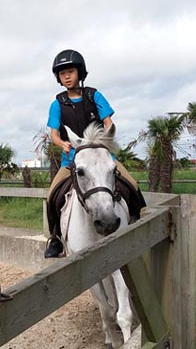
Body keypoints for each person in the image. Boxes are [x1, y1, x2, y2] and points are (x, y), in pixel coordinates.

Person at [44, 49, 143, 258]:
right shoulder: (57, 104)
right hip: (71, 159)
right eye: (62, 74)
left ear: (80, 73)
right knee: (52, 194)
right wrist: (62, 143)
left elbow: (108, 122)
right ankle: (55, 239)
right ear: (59, 78)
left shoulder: (94, 95)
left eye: (70, 72)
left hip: (100, 156)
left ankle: (141, 221)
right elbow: (53, 134)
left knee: (132, 184)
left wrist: (105, 140)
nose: (67, 77)